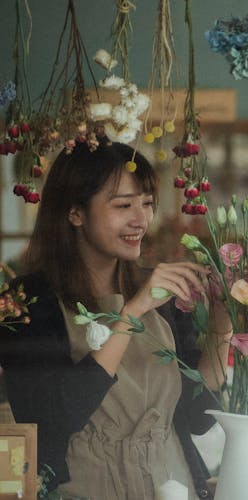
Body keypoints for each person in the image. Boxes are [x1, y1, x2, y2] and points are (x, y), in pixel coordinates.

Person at [0, 140, 232, 498]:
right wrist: (130, 315)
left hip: (172, 485)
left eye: (147, 204)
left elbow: (198, 418)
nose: (140, 220)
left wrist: (224, 323)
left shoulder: (162, 296)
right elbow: (52, 420)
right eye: (123, 205)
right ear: (75, 212)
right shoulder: (28, 301)